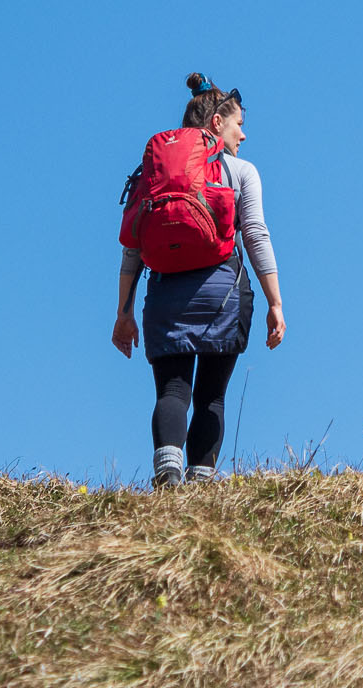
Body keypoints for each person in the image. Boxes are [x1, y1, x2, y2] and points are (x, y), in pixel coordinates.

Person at [112, 74, 285, 485]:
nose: (243, 133)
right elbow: (255, 234)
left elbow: (132, 247)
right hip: (222, 292)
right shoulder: (240, 170)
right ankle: (201, 484)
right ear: (217, 122)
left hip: (166, 291)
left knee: (172, 391)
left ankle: (167, 474)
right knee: (211, 394)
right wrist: (275, 301)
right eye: (238, 123)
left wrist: (123, 311)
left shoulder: (153, 172)